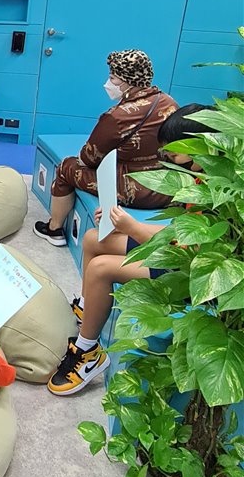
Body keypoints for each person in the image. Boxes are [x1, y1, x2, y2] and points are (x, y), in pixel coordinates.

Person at [47, 104, 207, 396]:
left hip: (191, 272)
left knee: (101, 268)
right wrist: (120, 223)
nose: (171, 160)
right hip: (178, 251)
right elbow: (181, 232)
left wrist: (132, 227)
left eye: (175, 154)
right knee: (94, 239)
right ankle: (88, 309)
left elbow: (193, 251)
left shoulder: (219, 191)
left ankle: (88, 352)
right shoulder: (200, 178)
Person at [34, 49, 178, 247]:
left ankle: (54, 228)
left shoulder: (117, 116)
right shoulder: (169, 102)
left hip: (134, 191)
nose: (107, 83)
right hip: (168, 190)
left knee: (66, 167)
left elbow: (87, 158)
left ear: (128, 81)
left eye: (112, 78)